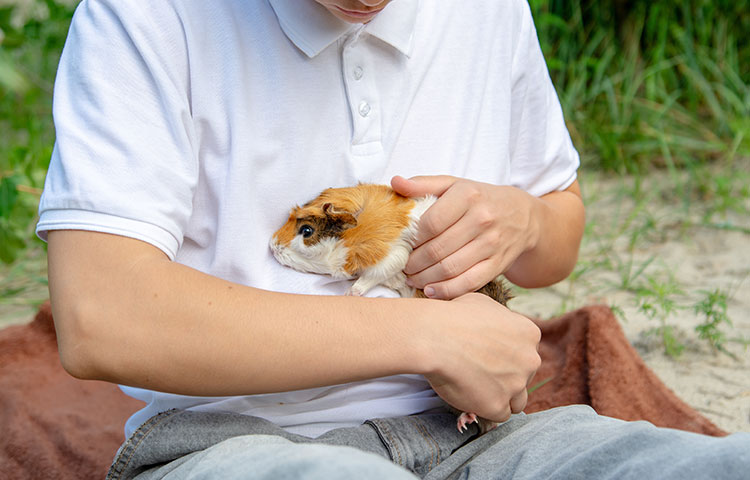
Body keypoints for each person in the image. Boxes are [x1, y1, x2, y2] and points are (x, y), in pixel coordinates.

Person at [38, 0, 748, 478]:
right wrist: (424, 336)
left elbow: (559, 229)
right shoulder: (144, 17)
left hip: (483, 438)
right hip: (237, 441)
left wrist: (523, 221)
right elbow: (102, 318)